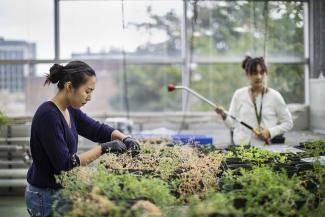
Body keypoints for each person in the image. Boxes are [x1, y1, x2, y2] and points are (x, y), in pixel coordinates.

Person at [25, 61, 140, 217]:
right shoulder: (49, 116)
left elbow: (96, 129)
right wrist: (104, 148)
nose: (90, 97)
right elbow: (65, 165)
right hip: (45, 196)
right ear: (69, 87)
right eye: (87, 91)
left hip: (59, 191)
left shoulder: (69, 109)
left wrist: (125, 138)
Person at [215, 56, 293, 146]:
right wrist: (223, 114)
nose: (259, 77)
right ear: (247, 75)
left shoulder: (274, 96)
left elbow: (288, 122)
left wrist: (270, 132)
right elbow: (232, 124)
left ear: (265, 74)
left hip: (264, 148)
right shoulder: (239, 94)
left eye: (262, 72)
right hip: (241, 147)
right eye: (254, 73)